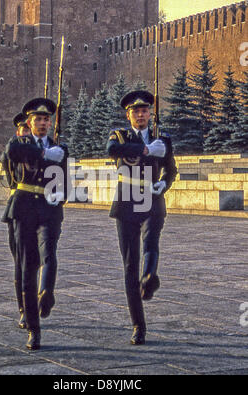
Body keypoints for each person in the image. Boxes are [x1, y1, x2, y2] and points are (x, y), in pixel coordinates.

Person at [107, 90, 177, 345]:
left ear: (151, 114)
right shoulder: (120, 136)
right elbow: (112, 150)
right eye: (136, 111)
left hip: (152, 198)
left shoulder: (163, 139)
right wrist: (146, 149)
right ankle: (138, 324)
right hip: (126, 201)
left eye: (145, 111)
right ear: (129, 115)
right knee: (129, 266)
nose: (141, 114)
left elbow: (171, 169)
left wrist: (164, 184)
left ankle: (149, 277)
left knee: (151, 242)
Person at [4, 98, 69, 350]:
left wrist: (60, 201)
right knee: (27, 268)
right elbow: (11, 152)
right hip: (23, 210)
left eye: (46, 119)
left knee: (49, 253)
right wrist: (42, 153)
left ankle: (47, 291)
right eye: (38, 120)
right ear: (29, 124)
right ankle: (33, 330)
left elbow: (64, 181)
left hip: (49, 209)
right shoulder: (21, 143)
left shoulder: (59, 148)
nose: (43, 123)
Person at [1, 113, 32, 331]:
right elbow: (9, 158)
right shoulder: (13, 152)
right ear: (18, 132)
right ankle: (24, 310)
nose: (28, 133)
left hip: (42, 211)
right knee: (21, 263)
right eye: (24, 129)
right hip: (19, 209)